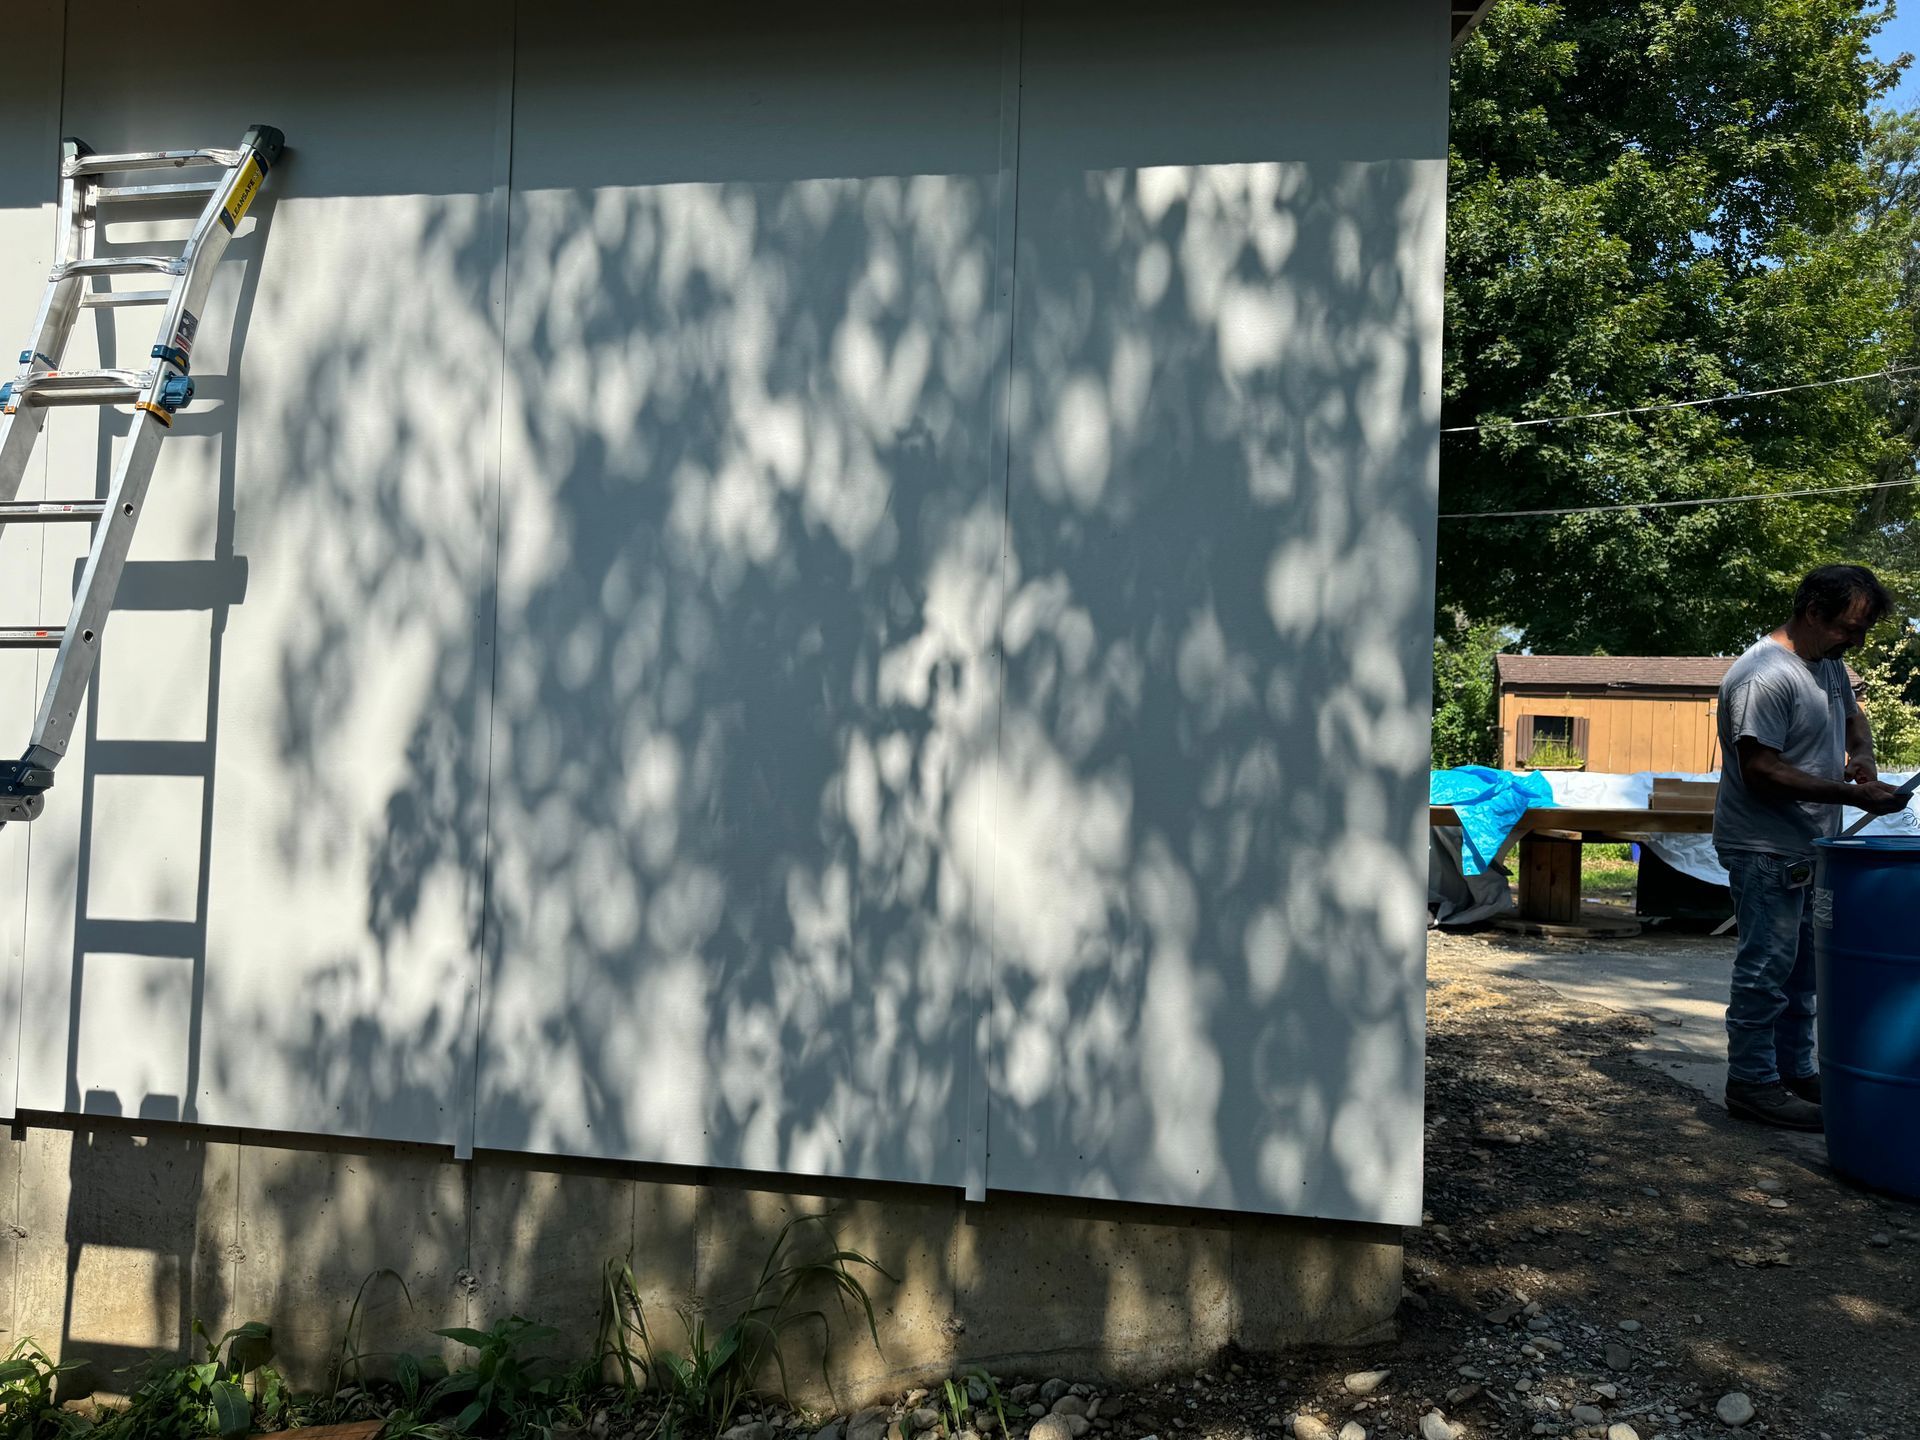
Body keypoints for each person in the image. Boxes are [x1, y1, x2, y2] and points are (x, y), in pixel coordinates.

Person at [1712, 564, 1909, 1130]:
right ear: (1813, 612)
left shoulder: (1828, 663)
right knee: (1766, 968)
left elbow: (1854, 719)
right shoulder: (1763, 677)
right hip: (1763, 846)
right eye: (1850, 628)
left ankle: (1794, 1071)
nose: (1857, 642)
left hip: (1811, 844)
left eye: (1863, 631)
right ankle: (1751, 1082)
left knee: (1803, 972)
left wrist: (1861, 755)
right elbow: (1761, 771)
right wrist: (1851, 794)